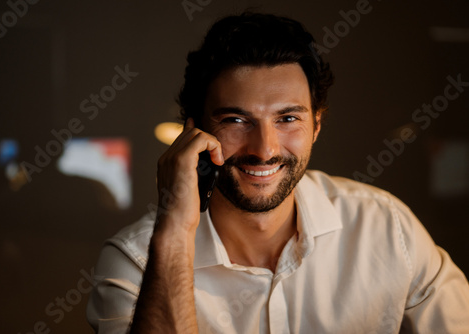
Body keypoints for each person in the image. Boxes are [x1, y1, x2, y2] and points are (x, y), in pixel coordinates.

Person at [86, 12, 469, 333]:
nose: (265, 149)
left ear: (316, 126)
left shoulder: (386, 227)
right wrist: (173, 234)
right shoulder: (133, 263)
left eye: (287, 118)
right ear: (193, 133)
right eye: (236, 120)